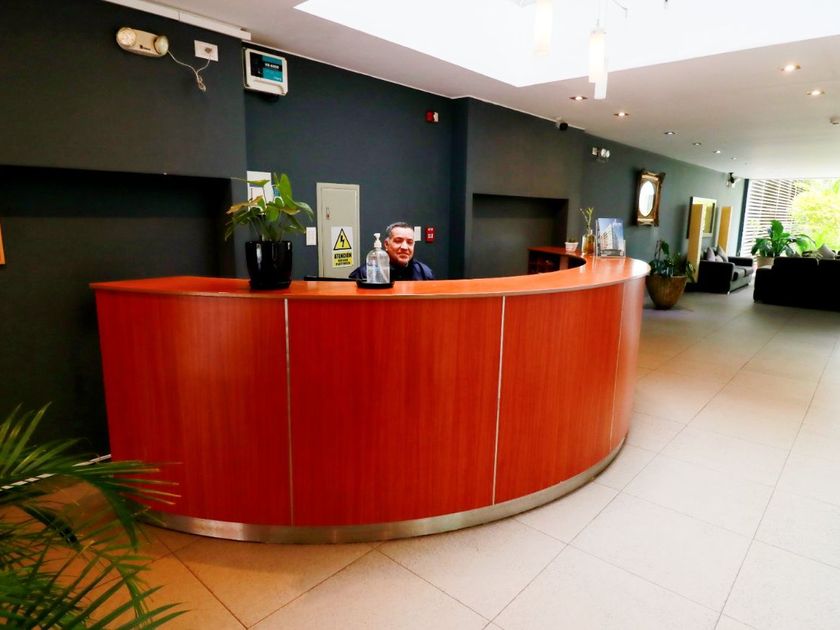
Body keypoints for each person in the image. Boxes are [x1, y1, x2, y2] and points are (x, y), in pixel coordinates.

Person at [350, 222, 434, 281]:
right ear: (386, 244)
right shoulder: (366, 273)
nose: (405, 247)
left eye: (410, 242)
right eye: (398, 241)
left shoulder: (424, 273)